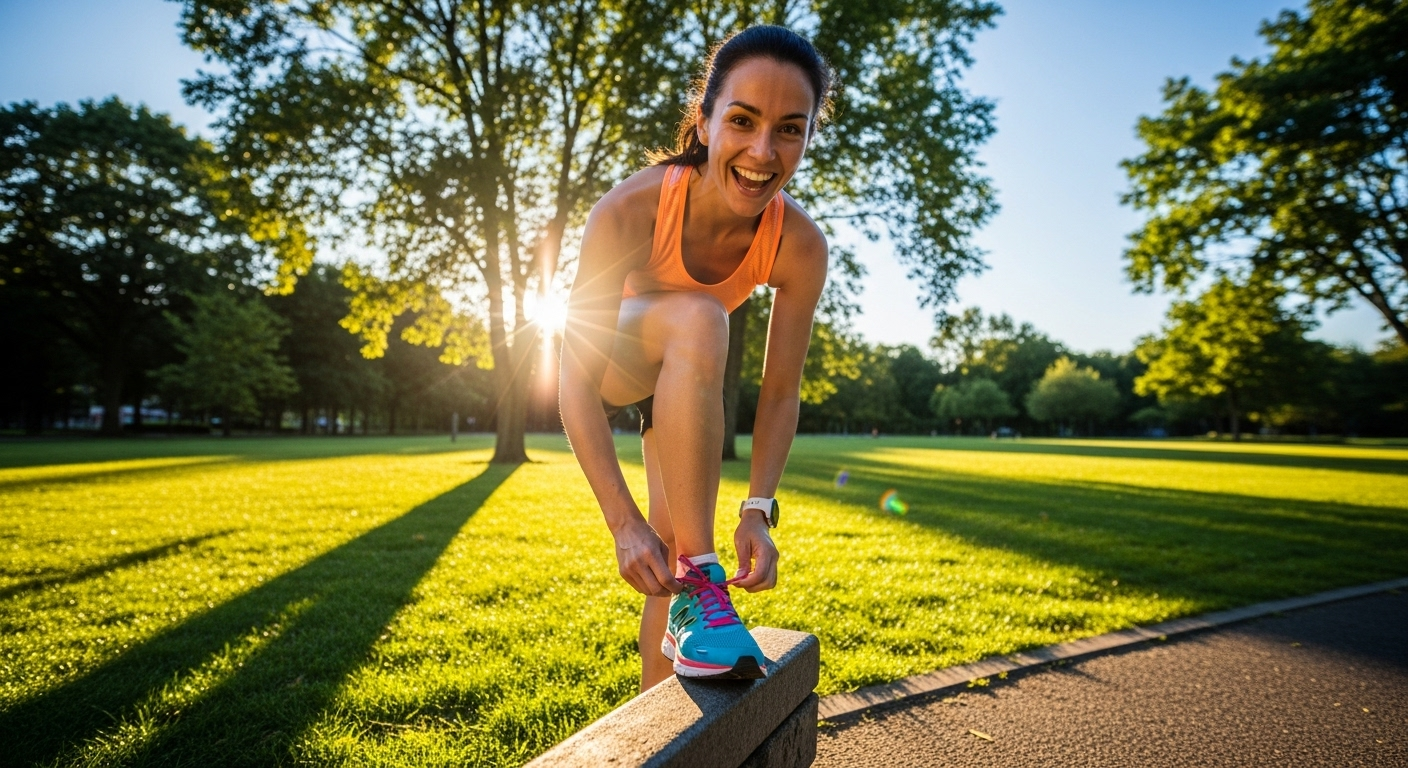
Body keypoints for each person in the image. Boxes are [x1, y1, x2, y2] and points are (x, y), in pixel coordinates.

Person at [559, 25, 833, 690]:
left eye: (790, 129)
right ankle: (705, 576)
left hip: (681, 379)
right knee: (700, 316)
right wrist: (621, 524)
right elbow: (570, 375)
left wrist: (757, 510)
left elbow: (779, 393)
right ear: (705, 121)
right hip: (610, 365)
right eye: (742, 120)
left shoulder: (799, 245)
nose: (763, 152)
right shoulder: (632, 207)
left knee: (674, 558)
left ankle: (667, 718)